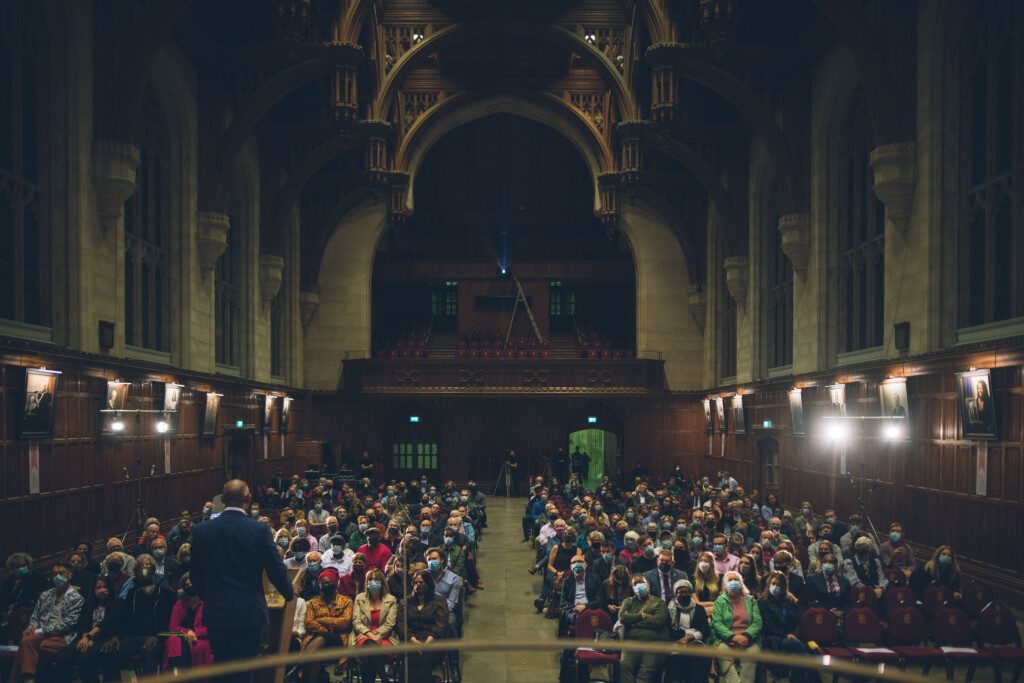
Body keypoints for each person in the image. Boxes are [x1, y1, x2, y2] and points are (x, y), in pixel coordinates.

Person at [190, 479, 295, 683]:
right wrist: (289, 593)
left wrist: (210, 596)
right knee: (245, 674)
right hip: (249, 614)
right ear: (249, 499)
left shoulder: (203, 531)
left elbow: (195, 575)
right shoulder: (259, 530)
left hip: (217, 613)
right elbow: (275, 569)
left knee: (220, 670)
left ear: (221, 499)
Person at [9, 560, 84, 683]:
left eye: (61, 573)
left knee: (25, 648)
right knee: (26, 641)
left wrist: (40, 630)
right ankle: (29, 679)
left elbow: (68, 624)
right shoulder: (46, 594)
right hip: (40, 633)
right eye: (54, 574)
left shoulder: (76, 598)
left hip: (61, 636)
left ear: (70, 575)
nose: (57, 576)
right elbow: (35, 615)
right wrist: (32, 627)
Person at [53, 575, 124, 683]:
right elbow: (83, 623)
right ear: (93, 589)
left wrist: (88, 636)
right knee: (63, 658)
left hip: (104, 637)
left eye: (105, 587)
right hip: (86, 637)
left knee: (84, 660)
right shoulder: (88, 603)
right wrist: (85, 636)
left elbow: (106, 623)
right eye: (98, 587)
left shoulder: (118, 602)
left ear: (110, 588)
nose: (102, 590)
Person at [301, 567, 353, 683]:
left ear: (335, 583)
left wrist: (322, 620)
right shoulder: (313, 602)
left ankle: (299, 666)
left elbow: (344, 622)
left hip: (337, 638)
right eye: (323, 583)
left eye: (328, 582)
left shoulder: (346, 601)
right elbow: (309, 622)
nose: (326, 585)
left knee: (321, 639)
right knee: (316, 653)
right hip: (315, 636)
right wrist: (329, 627)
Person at [395, 570, 448, 683]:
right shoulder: (405, 602)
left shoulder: (439, 601)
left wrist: (426, 643)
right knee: (409, 662)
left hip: (432, 641)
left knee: (425, 662)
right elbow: (401, 625)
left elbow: (440, 625)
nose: (418, 585)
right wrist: (413, 640)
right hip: (411, 640)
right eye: (415, 582)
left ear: (428, 584)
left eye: (422, 582)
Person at [710, 570, 762, 683]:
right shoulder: (720, 600)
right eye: (730, 580)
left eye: (736, 580)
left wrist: (746, 636)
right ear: (725, 584)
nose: (733, 582)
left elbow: (757, 622)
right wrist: (732, 637)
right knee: (723, 654)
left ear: (741, 583)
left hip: (749, 638)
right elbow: (717, 623)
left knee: (750, 656)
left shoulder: (750, 600)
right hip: (726, 638)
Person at [617, 574, 669, 683]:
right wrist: (643, 616)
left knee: (645, 674)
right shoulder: (629, 601)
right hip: (632, 642)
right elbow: (622, 618)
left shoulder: (659, 603)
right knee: (624, 666)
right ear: (632, 588)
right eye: (635, 584)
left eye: (641, 582)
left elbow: (658, 622)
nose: (638, 585)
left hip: (654, 642)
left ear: (648, 584)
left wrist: (633, 622)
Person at [162, 572, 213, 674]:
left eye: (192, 583)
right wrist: (187, 632)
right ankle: (177, 674)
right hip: (183, 637)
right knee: (173, 640)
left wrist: (195, 633)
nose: (190, 586)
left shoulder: (208, 604)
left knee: (196, 647)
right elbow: (173, 627)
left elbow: (210, 627)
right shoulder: (179, 604)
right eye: (186, 585)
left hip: (202, 638)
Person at [353, 568, 397, 683]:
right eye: (370, 580)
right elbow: (356, 622)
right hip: (363, 636)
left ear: (382, 582)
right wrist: (370, 635)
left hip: (384, 637)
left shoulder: (391, 599)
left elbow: (389, 624)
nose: (373, 582)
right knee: (369, 645)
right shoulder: (360, 598)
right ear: (366, 582)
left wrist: (374, 635)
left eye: (377, 579)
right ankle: (384, 678)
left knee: (369, 653)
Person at [665, 579, 711, 683]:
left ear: (690, 593)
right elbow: (670, 631)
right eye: (680, 592)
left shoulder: (699, 609)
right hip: (675, 642)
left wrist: (688, 637)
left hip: (695, 642)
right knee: (675, 661)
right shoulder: (670, 609)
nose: (682, 594)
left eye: (685, 592)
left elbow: (705, 630)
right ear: (676, 594)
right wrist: (690, 632)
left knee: (698, 661)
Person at [1, 553, 49, 637]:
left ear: (28, 565)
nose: (20, 569)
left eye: (23, 565)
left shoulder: (39, 578)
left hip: (35, 612)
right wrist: (15, 588)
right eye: (17, 567)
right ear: (12, 569)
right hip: (14, 614)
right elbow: (4, 603)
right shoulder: (9, 581)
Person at [558, 552, 604, 634]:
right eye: (573, 563)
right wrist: (575, 608)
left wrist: (585, 607)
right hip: (573, 611)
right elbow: (562, 602)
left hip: (590, 608)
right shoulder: (567, 580)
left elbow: (599, 600)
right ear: (571, 567)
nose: (576, 564)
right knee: (579, 618)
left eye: (579, 561)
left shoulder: (594, 578)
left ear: (585, 564)